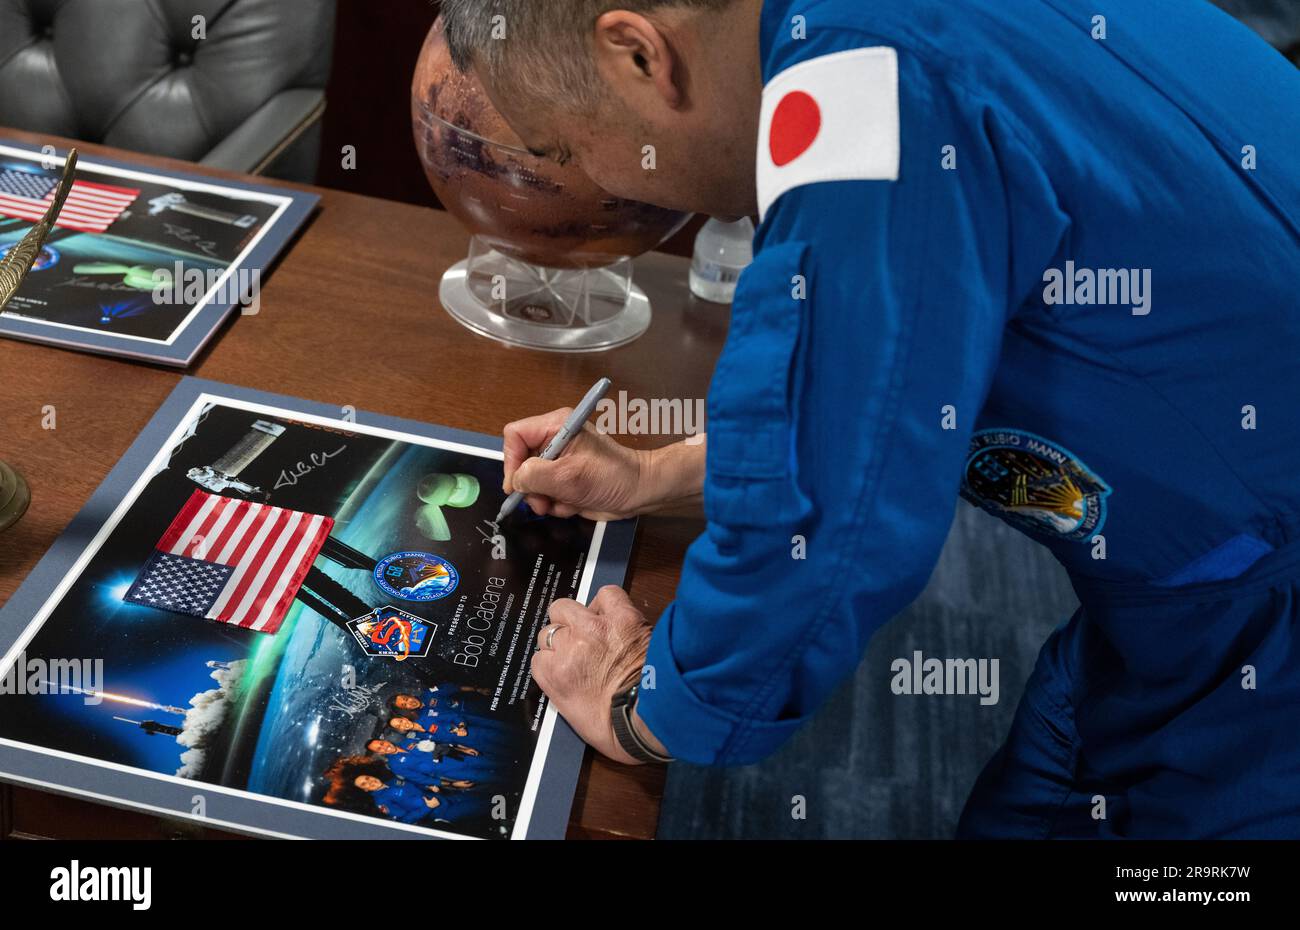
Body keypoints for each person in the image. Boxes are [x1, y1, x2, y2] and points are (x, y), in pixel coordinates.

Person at [440, 0, 1300, 837]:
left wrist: (643, 708)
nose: (591, 182)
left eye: (561, 146)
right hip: (1193, 577)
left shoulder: (869, 105)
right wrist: (658, 475)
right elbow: (888, 393)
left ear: (638, 54)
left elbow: (826, 523)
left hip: (1258, 638)